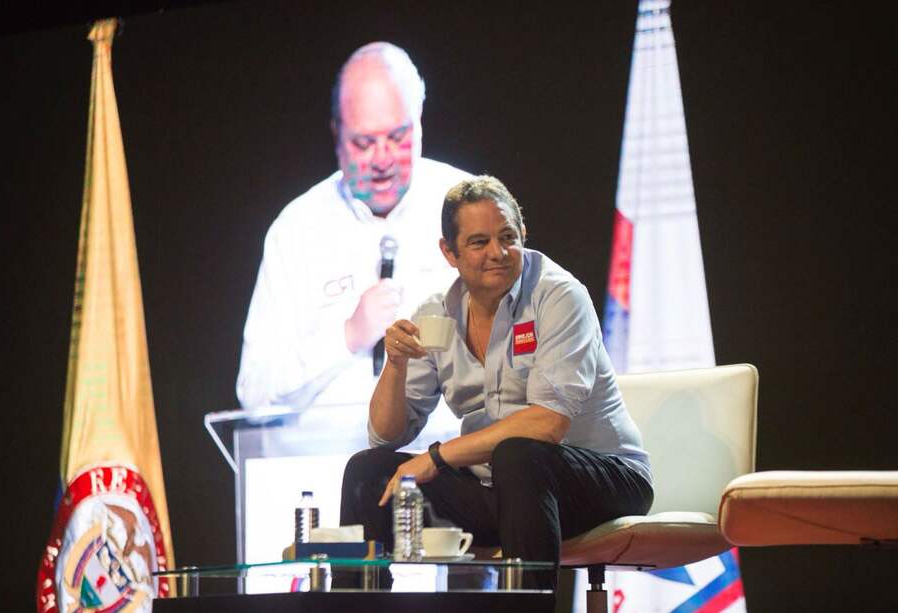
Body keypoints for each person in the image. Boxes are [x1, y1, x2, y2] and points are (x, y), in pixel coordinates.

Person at [340, 176, 653, 588]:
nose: (498, 253)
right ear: (448, 252)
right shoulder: (437, 315)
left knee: (519, 456)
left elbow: (547, 424)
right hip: (502, 487)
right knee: (367, 472)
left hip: (605, 480)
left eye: (508, 237)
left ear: (523, 234)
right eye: (479, 242)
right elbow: (384, 436)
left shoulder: (559, 297)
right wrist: (395, 365)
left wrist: (438, 457)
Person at [237, 42, 470, 411]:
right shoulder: (297, 230)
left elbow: (518, 347)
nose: (382, 159)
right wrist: (348, 335)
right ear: (337, 136)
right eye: (364, 143)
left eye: (397, 137)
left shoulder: (469, 205)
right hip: (328, 445)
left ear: (420, 121)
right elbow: (255, 390)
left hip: (453, 442)